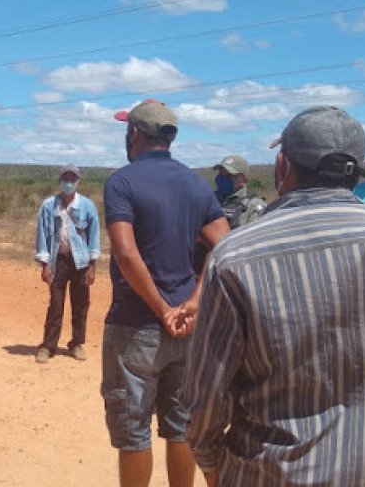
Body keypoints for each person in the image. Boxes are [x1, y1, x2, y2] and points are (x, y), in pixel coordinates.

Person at [181, 106, 365, 486]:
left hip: (270, 474)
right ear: (356, 170)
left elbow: (207, 396)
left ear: (282, 166)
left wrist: (210, 463)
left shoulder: (236, 255)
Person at [102, 100, 229, 487]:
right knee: (180, 428)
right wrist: (191, 303)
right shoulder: (195, 182)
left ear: (135, 134)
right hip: (188, 328)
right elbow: (224, 246)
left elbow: (125, 253)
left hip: (134, 326)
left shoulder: (121, 182)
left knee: (133, 431)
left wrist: (160, 309)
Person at [34, 163, 100, 363]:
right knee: (55, 304)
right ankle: (48, 346)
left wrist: (92, 265)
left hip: (80, 262)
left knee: (81, 304)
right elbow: (43, 235)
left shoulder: (87, 206)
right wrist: (45, 265)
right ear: (60, 181)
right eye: (66, 179)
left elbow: (94, 236)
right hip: (58, 261)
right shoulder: (48, 206)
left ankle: (76, 344)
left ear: (78, 181)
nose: (69, 183)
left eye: (72, 179)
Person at [193, 155, 266, 274]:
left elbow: (255, 247)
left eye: (229, 176)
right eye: (220, 174)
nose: (222, 178)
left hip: (235, 272)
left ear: (243, 179)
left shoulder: (253, 206)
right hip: (201, 272)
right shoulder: (207, 200)